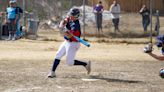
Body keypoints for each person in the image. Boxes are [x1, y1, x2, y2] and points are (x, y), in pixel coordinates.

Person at [47, 8, 91, 78]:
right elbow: (64, 20)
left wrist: (64, 32)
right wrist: (61, 26)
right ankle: (52, 72)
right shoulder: (70, 18)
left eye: (73, 16)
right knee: (58, 55)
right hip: (67, 41)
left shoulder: (76, 25)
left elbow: (70, 36)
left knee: (69, 62)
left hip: (73, 44)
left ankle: (85, 64)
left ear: (77, 16)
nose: (71, 16)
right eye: (71, 15)